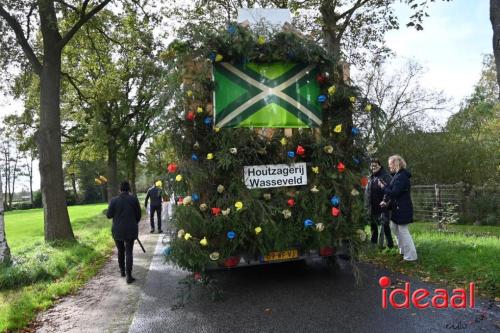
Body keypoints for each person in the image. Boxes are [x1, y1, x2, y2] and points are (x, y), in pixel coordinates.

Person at [379, 155, 418, 261]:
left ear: (396, 164)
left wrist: (383, 188)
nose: (388, 166)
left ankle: (411, 256)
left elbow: (395, 192)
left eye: (390, 164)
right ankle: (403, 251)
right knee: (394, 228)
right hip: (397, 208)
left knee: (403, 231)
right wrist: (385, 201)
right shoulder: (397, 176)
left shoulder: (402, 177)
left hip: (403, 208)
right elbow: (391, 190)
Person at [106, 181, 141, 283]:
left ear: (120, 189)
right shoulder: (134, 199)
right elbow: (138, 216)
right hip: (131, 229)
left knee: (121, 251)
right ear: (129, 189)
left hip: (117, 230)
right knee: (129, 252)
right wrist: (132, 223)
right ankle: (129, 276)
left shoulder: (114, 200)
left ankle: (122, 271)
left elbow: (109, 215)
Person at [364, 159, 393, 248]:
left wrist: (385, 201)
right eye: (372, 166)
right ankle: (373, 244)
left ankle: (390, 245)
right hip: (373, 206)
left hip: (383, 206)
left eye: (375, 165)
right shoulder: (371, 177)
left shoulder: (385, 176)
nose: (373, 167)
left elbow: (388, 190)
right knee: (373, 226)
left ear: (380, 166)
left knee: (385, 226)